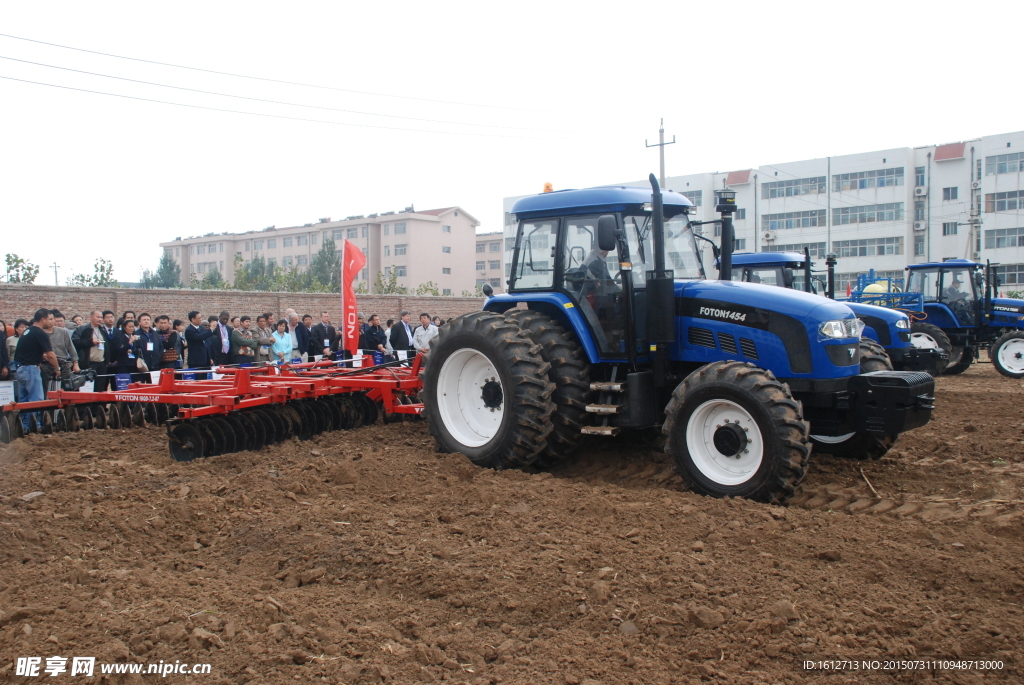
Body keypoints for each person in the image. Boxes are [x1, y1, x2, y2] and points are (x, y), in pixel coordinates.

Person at [14, 308, 59, 432]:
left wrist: (40, 356)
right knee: (36, 400)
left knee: (24, 400)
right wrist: (57, 368)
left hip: (21, 369)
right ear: (42, 319)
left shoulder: (27, 331)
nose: (52, 322)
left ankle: (24, 426)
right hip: (30, 370)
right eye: (50, 319)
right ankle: (35, 426)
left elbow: (28, 350)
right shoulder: (40, 333)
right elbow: (51, 355)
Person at [73, 311, 112, 392]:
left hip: (101, 362)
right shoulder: (82, 329)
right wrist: (91, 342)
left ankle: (98, 404)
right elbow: (75, 342)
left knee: (100, 387)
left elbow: (107, 346)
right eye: (97, 317)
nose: (100, 319)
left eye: (101, 317)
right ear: (91, 317)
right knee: (87, 387)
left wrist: (107, 360)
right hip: (88, 362)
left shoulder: (102, 329)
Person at [43, 309, 80, 390]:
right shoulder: (41, 333)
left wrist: (76, 364)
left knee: (66, 387)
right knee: (47, 388)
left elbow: (71, 348)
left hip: (63, 362)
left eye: (61, 321)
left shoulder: (63, 332)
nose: (57, 322)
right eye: (56, 320)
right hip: (47, 364)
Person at [184, 310, 218, 379]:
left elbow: (206, 342)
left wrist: (209, 357)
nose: (201, 320)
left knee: (205, 379)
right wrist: (211, 328)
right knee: (198, 379)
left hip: (205, 359)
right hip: (196, 360)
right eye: (199, 318)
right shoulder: (189, 330)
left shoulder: (201, 328)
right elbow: (200, 337)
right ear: (193, 319)